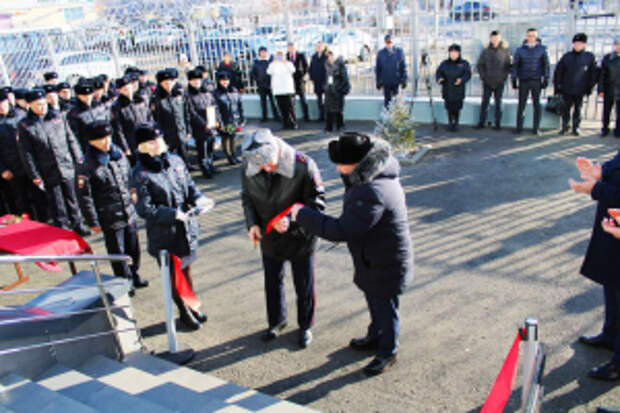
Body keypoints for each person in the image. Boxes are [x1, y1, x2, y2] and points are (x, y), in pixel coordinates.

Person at [290, 132, 413, 375]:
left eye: (340, 164)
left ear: (357, 163)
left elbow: (341, 229)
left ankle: (388, 351)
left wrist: (302, 214)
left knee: (386, 309)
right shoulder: (372, 175)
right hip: (375, 258)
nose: (337, 169)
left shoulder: (372, 190)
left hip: (385, 263)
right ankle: (375, 335)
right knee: (376, 302)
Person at [241, 128, 325, 348]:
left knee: (303, 284)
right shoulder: (250, 166)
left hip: (300, 237)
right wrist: (252, 224)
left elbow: (317, 203)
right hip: (269, 236)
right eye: (261, 166)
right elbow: (247, 198)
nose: (266, 169)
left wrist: (293, 220)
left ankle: (305, 326)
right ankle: (276, 322)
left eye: (270, 164)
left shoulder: (303, 165)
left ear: (278, 150)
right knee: (272, 282)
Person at [131, 122, 211, 330]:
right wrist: (172, 214)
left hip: (185, 229)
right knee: (173, 275)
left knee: (187, 269)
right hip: (164, 233)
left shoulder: (175, 161)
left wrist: (199, 199)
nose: (157, 145)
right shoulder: (140, 174)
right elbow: (144, 208)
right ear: (142, 146)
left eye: (158, 140)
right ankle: (183, 311)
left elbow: (189, 186)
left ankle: (192, 305)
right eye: (151, 142)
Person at [79, 120, 147, 294]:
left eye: (108, 137)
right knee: (118, 251)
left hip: (127, 209)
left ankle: (134, 273)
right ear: (91, 141)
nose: (106, 142)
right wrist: (92, 221)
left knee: (133, 247)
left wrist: (135, 200)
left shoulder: (118, 155)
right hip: (109, 214)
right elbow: (85, 196)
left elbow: (129, 179)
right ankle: (124, 281)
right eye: (101, 139)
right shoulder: (86, 164)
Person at [569, 154, 620, 381]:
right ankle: (611, 335)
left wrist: (596, 188)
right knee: (611, 280)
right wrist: (600, 171)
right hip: (613, 222)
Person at [18, 89, 90, 235]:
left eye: (44, 103)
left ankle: (77, 223)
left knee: (72, 196)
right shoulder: (25, 125)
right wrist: (34, 174)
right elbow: (27, 153)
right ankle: (62, 227)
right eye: (38, 105)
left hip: (66, 163)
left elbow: (71, 139)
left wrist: (79, 159)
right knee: (57, 202)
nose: (42, 107)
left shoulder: (58, 117)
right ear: (30, 105)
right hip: (47, 168)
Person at [553, 33, 598, 136]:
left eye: (580, 43)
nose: (577, 45)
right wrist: (558, 87)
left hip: (580, 89)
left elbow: (593, 74)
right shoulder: (567, 56)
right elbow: (558, 72)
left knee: (578, 109)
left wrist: (590, 87)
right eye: (575, 43)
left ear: (584, 45)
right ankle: (565, 126)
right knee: (566, 109)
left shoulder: (589, 57)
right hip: (567, 88)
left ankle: (576, 127)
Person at [512, 28, 550, 135]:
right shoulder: (520, 50)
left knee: (537, 105)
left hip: (536, 80)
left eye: (533, 36)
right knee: (521, 105)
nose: (531, 38)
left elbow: (545, 65)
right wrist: (514, 78)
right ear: (526, 37)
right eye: (529, 35)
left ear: (536, 37)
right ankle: (519, 128)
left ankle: (536, 128)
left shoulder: (542, 49)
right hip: (523, 80)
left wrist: (546, 78)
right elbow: (515, 65)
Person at [185, 68, 221, 177]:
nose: (196, 82)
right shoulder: (188, 96)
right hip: (199, 127)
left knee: (210, 146)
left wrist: (217, 120)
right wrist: (203, 124)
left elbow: (215, 107)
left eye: (198, 80)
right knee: (202, 149)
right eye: (194, 80)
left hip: (211, 125)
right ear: (190, 81)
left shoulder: (207, 93)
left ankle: (210, 165)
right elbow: (191, 113)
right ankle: (204, 168)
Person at [110, 75, 152, 166]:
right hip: (132, 141)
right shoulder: (117, 107)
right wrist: (125, 148)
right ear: (119, 91)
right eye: (124, 89)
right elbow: (118, 129)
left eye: (129, 88)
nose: (128, 91)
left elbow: (149, 117)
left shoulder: (140, 100)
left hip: (146, 136)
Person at [152, 68, 191, 166]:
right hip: (167, 135)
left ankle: (186, 167)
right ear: (160, 84)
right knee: (170, 159)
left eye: (170, 83)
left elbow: (185, 114)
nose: (168, 86)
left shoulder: (179, 95)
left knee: (184, 154)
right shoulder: (157, 99)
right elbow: (156, 119)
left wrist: (188, 130)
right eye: (165, 83)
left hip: (181, 131)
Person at [0, 90, 29, 216]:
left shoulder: (21, 116)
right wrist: (2, 169)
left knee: (39, 197)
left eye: (3, 102)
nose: (1, 106)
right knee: (20, 200)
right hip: (11, 168)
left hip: (28, 164)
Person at [476, 30, 512, 130]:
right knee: (485, 102)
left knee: (498, 103)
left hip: (499, 82)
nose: (494, 40)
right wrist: (483, 77)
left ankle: (498, 123)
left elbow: (508, 66)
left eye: (496, 38)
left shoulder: (505, 51)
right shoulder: (485, 51)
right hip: (487, 81)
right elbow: (480, 65)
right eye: (492, 38)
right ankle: (481, 122)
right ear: (490, 39)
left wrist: (503, 77)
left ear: (500, 38)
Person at [436, 44, 472, 132]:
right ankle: (450, 123)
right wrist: (439, 78)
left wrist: (461, 79)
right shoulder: (444, 64)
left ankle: (456, 123)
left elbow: (468, 74)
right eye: (451, 53)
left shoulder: (464, 63)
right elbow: (438, 72)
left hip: (458, 89)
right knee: (449, 107)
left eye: (455, 53)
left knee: (457, 108)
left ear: (459, 53)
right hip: (447, 88)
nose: (453, 55)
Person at [68, 79, 109, 149]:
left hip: (105, 143)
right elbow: (76, 136)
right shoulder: (74, 114)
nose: (87, 97)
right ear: (78, 96)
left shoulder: (99, 107)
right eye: (84, 95)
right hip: (89, 148)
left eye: (89, 95)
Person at [214, 71, 244, 165]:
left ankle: (234, 154)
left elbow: (239, 105)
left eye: (226, 80)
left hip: (234, 119)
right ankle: (229, 156)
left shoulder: (234, 90)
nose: (225, 82)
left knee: (233, 137)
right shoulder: (216, 93)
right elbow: (216, 110)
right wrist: (220, 123)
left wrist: (242, 119)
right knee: (226, 137)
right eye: (223, 80)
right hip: (225, 119)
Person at [376, 34, 407, 108]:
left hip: (396, 81)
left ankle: (397, 118)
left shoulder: (399, 52)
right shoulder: (381, 54)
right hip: (386, 82)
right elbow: (378, 69)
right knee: (387, 103)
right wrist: (378, 81)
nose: (389, 44)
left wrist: (404, 79)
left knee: (397, 103)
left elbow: (403, 67)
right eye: (387, 42)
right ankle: (387, 118)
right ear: (385, 43)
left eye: (390, 42)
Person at [268, 51, 297, 130]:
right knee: (282, 108)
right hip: (278, 90)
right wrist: (273, 62)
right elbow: (269, 72)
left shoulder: (288, 63)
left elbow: (293, 70)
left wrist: (285, 62)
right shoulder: (273, 65)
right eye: (278, 56)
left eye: (281, 56)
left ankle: (293, 123)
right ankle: (285, 123)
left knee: (290, 107)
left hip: (287, 89)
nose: (280, 58)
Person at [324, 51, 351, 132]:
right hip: (329, 90)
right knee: (328, 109)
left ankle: (340, 126)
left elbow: (345, 79)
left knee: (338, 109)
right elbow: (324, 77)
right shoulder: (326, 65)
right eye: (329, 57)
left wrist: (338, 88)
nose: (330, 58)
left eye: (332, 56)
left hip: (337, 90)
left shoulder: (340, 66)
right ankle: (329, 127)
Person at [251, 47, 280, 122]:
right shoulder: (256, 62)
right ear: (259, 53)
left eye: (264, 52)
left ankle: (276, 116)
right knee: (263, 102)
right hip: (261, 85)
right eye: (261, 52)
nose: (263, 53)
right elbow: (252, 73)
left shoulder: (270, 61)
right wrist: (257, 80)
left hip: (271, 84)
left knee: (273, 102)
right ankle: (264, 117)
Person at [598, 40, 620, 138]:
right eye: (617, 45)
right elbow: (602, 75)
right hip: (609, 88)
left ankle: (618, 130)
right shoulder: (608, 58)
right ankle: (605, 129)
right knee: (607, 110)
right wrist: (601, 90)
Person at [286, 43, 310, 122]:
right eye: (289, 48)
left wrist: (302, 74)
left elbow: (306, 66)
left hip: (299, 81)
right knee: (292, 101)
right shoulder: (286, 56)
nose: (291, 49)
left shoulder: (300, 55)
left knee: (303, 99)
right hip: (290, 82)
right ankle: (293, 117)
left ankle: (306, 116)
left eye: (292, 48)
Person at [310, 41, 328, 122]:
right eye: (317, 46)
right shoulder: (314, 57)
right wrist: (312, 78)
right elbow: (311, 68)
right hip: (317, 81)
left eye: (320, 46)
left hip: (325, 81)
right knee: (319, 100)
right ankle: (321, 116)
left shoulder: (326, 56)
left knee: (328, 99)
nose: (318, 48)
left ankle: (328, 116)